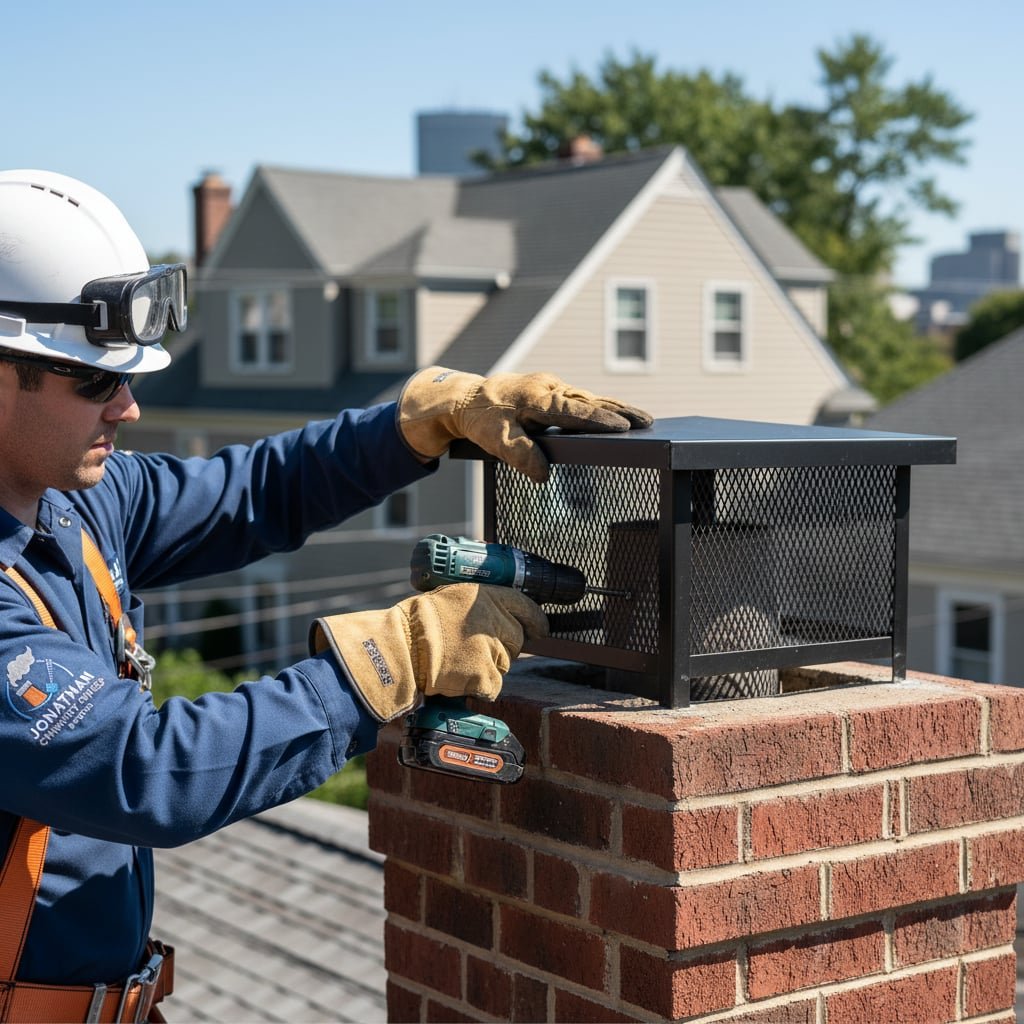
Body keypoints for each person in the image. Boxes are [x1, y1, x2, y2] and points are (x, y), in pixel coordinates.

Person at [0, 169, 652, 1022]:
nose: (126, 406)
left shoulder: (76, 498)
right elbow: (144, 773)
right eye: (95, 381)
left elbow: (252, 493)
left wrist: (414, 423)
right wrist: (386, 662)